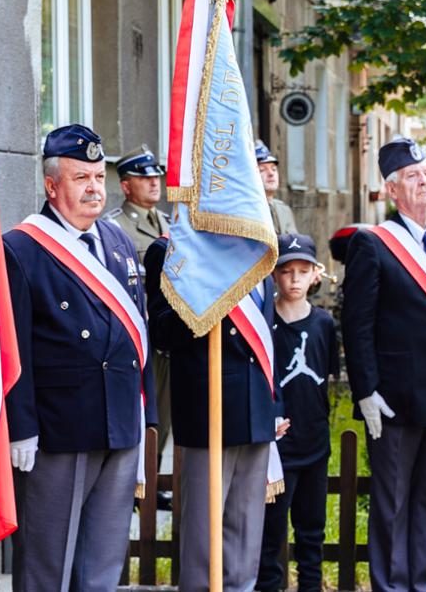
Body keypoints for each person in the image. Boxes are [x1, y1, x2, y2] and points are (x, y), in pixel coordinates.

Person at [3, 124, 154, 592]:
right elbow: (15, 348)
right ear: (52, 186)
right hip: (59, 429)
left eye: (97, 176)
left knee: (103, 562)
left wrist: (140, 416)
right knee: (48, 564)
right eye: (80, 178)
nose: (94, 188)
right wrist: (21, 427)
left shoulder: (117, 241)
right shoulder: (22, 248)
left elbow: (136, 333)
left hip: (118, 422)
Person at [339, 137, 426, 592]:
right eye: (414, 176)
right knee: (391, 503)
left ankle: (420, 583)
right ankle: (390, 585)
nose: (425, 182)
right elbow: (357, 325)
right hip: (394, 398)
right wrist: (366, 393)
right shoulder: (373, 244)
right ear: (392, 190)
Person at [145, 235, 280, 592]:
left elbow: (266, 336)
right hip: (209, 410)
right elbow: (161, 331)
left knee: (245, 538)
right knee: (203, 545)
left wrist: (274, 402)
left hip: (256, 410)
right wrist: (209, 292)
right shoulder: (171, 249)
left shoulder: (257, 246)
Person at [257, 234, 338, 592]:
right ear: (273, 275)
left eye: (302, 271)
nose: (294, 279)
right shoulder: (263, 321)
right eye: (286, 271)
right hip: (277, 446)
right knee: (271, 530)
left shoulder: (323, 324)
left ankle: (310, 586)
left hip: (315, 442)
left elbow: (328, 376)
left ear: (315, 275)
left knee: (311, 528)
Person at [109, 145, 173, 447]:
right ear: (125, 185)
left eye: (156, 176)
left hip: (168, 332)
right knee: (145, 412)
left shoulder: (171, 225)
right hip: (137, 333)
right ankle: (143, 482)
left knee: (169, 412)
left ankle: (160, 480)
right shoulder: (114, 227)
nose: (153, 182)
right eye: (143, 177)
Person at [257, 139, 298, 236]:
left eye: (274, 169)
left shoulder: (283, 209)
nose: (271, 174)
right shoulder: (246, 210)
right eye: (262, 170)